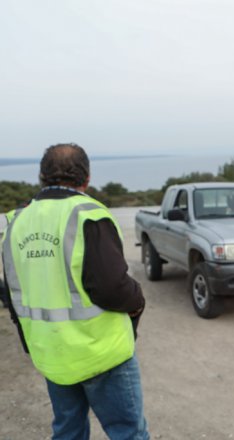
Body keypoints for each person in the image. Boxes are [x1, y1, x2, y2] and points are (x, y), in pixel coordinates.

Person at [2, 143, 149, 439]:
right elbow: (113, 288)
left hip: (51, 353)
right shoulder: (88, 214)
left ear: (41, 176)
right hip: (101, 352)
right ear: (87, 177)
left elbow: (10, 291)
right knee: (128, 433)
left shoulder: (14, 221)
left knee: (68, 431)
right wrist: (137, 301)